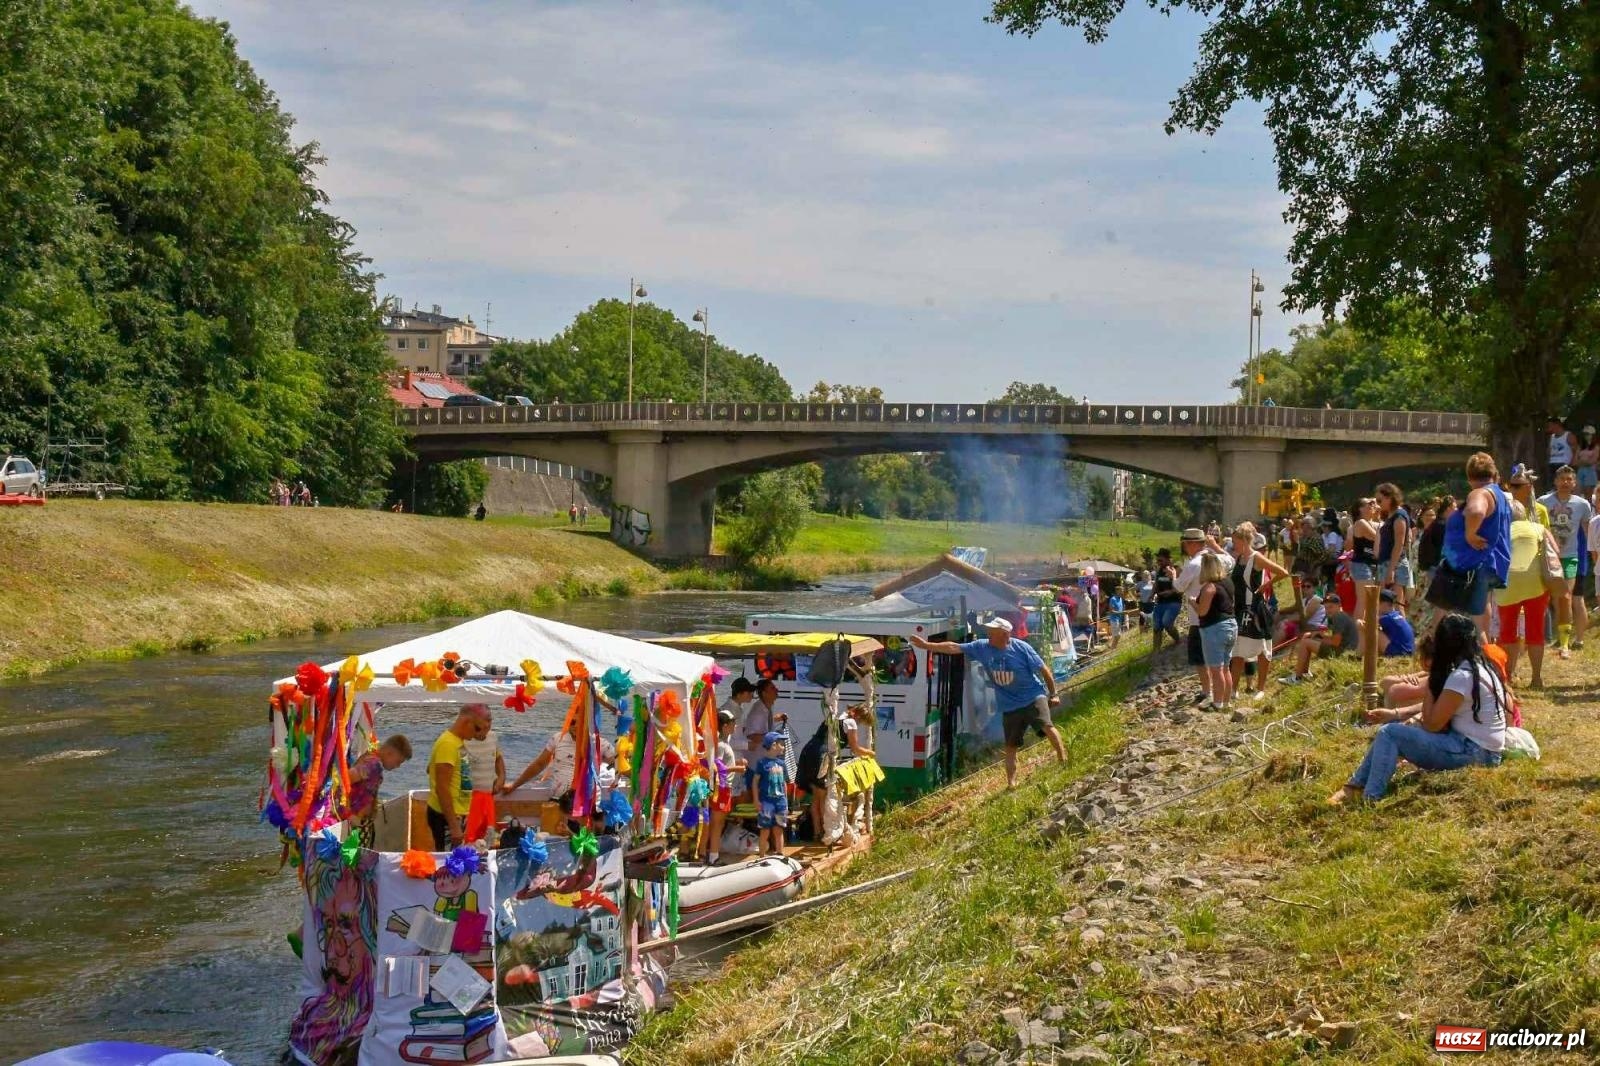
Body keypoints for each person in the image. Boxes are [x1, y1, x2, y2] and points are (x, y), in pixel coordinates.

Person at [1329, 613, 1506, 805]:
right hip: (1481, 750)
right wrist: (1399, 715)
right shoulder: (1480, 668)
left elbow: (1432, 725)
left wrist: (1433, 679)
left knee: (1390, 733)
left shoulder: (1461, 677)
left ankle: (1369, 797)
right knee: (1396, 730)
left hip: (1475, 752)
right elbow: (1439, 713)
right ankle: (1354, 787)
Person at [911, 617, 1066, 789]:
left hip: (1033, 696)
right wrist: (926, 646)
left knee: (1046, 725)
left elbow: (1044, 669)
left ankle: (1062, 761)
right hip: (1009, 705)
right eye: (989, 632)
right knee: (1010, 746)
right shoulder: (982, 647)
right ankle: (1011, 784)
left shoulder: (1022, 648)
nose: (989, 635)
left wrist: (1053, 694)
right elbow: (953, 647)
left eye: (993, 632)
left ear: (1005, 634)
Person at [1440, 453, 1513, 635]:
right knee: (1481, 611)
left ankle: (1479, 656)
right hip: (1488, 562)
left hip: (1473, 563)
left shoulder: (1480, 492)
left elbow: (1475, 511)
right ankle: (1481, 652)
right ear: (1493, 473)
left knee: (1473, 621)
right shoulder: (1499, 494)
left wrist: (1470, 534)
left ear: (1469, 475)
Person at [1538, 465, 1593, 656]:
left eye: (1569, 479)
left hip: (1571, 557)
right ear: (1555, 481)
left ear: (1575, 482)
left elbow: (1588, 530)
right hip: (1549, 556)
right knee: (1554, 598)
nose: (1565, 483)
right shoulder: (1543, 501)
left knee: (1566, 596)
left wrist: (1593, 553)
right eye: (1562, 479)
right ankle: (1559, 636)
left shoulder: (1582, 504)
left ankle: (1566, 644)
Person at [1175, 528, 1234, 705]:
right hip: (1224, 618)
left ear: (1191, 544)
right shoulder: (1219, 559)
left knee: (1202, 660)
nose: (1184, 547)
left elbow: (1179, 587)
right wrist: (1216, 546)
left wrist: (1173, 577)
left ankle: (1209, 694)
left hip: (1200, 619)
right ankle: (1224, 699)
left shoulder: (1193, 565)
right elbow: (1232, 559)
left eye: (1185, 544)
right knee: (1223, 665)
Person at [1229, 522, 1287, 701]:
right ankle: (1233, 689)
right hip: (1239, 608)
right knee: (1237, 650)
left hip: (1254, 607)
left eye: (1235, 542)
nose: (1233, 545)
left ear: (1244, 540)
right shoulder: (1239, 559)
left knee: (1262, 648)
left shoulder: (1257, 558)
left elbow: (1282, 572)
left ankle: (1260, 688)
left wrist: (1265, 585)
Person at [1498, 500, 1553, 688]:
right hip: (1535, 582)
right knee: (1535, 631)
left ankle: (1508, 676)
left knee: (1507, 630)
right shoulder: (1539, 528)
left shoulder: (1500, 530)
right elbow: (1555, 551)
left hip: (1507, 582)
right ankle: (1536, 678)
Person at [427, 705, 492, 849]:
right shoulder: (448, 744)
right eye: (477, 728)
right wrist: (454, 826)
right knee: (449, 864)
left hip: (456, 814)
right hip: (446, 817)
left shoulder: (456, 742)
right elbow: (442, 787)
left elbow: (431, 769)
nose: (477, 734)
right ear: (466, 721)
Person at [347, 735, 413, 842]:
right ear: (390, 753)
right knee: (358, 856)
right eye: (398, 762)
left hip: (358, 820)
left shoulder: (369, 756)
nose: (397, 766)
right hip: (357, 821)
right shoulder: (373, 764)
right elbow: (346, 778)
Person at [1193, 552, 1237, 710]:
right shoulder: (1227, 582)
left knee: (1216, 668)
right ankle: (1226, 702)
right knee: (1225, 667)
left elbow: (1202, 611)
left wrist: (1193, 603)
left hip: (1215, 628)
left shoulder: (1209, 588)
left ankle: (1217, 703)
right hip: (1231, 625)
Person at [1283, 595, 1360, 684]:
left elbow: (1335, 643)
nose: (1328, 610)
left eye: (1331, 607)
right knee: (1308, 637)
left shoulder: (1339, 617)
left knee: (1305, 642)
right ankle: (1304, 673)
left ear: (1339, 605)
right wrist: (1318, 636)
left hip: (1344, 654)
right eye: (1326, 608)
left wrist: (1319, 638)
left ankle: (1297, 678)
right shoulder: (1340, 615)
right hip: (1345, 649)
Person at [706, 710, 745, 865]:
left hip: (724, 787)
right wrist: (737, 769)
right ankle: (712, 857)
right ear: (725, 726)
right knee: (717, 823)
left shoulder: (723, 743)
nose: (735, 726)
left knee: (717, 823)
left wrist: (737, 765)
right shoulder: (721, 745)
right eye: (732, 723)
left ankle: (710, 854)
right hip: (721, 787)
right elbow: (716, 768)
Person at [461, 722, 506, 843]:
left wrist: (501, 778)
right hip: (469, 798)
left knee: (488, 836)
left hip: (488, 796)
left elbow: (498, 758)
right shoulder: (462, 739)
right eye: (484, 723)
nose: (487, 726)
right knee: (469, 838)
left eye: (489, 721)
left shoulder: (492, 737)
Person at [1376, 483, 1413, 609]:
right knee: (1386, 605)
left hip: (1394, 564)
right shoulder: (1391, 515)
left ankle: (1402, 628)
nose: (1378, 503)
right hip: (1386, 563)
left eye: (1379, 500)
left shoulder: (1399, 516)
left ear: (1390, 497)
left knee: (1396, 605)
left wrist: (1391, 570)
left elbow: (1399, 544)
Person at [753, 731, 789, 857]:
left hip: (780, 802)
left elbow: (783, 782)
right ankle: (761, 855)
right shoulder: (762, 763)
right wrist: (756, 800)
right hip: (766, 802)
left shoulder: (782, 763)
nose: (783, 747)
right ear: (774, 745)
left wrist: (786, 801)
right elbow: (755, 782)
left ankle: (780, 854)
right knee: (765, 830)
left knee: (779, 829)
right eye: (781, 744)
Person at [1347, 497, 1382, 621]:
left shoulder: (1374, 523)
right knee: (1363, 601)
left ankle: (1369, 630)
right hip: (1361, 565)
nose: (1374, 505)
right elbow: (1378, 537)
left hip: (1373, 565)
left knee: (1372, 600)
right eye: (1370, 504)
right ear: (1360, 509)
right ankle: (1358, 634)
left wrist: (1378, 518)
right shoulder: (1360, 523)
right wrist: (1379, 518)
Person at [1150, 549, 1183, 651]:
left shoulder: (1177, 570)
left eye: (1161, 560)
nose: (1159, 563)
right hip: (1160, 602)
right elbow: (1156, 583)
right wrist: (1152, 594)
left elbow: (1181, 587)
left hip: (1174, 601)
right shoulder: (1159, 571)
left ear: (1168, 559)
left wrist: (1171, 592)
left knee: (1167, 623)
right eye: (1158, 560)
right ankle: (1156, 651)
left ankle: (1178, 640)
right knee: (1156, 627)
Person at [743, 678, 781, 760]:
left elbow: (763, 723)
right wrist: (772, 737)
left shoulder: (767, 706)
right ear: (764, 694)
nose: (777, 690)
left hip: (764, 756)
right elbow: (751, 735)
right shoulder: (758, 712)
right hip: (756, 760)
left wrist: (776, 718)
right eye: (772, 688)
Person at [1375, 588, 1416, 657]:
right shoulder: (1398, 616)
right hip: (1409, 652)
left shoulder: (1387, 618)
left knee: (1372, 629)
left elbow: (1369, 622)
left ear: (1382, 603)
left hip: (1399, 653)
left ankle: (1362, 655)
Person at [1548, 416, 1578, 486]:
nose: (1549, 427)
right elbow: (1550, 450)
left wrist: (1572, 462)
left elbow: (1576, 450)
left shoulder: (1568, 435)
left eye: (1550, 425)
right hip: (1552, 463)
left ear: (1556, 425)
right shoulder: (1552, 437)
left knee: (1564, 484)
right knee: (1553, 485)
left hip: (1564, 463)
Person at [1577, 425, 1600, 493]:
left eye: (1588, 434)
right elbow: (1576, 460)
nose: (1586, 436)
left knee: (1588, 493)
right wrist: (1584, 462)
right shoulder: (1580, 446)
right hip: (1580, 471)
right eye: (1584, 434)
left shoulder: (1596, 447)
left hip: (1590, 471)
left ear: (1593, 435)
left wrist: (1582, 462)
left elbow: (1593, 461)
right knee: (1578, 492)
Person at [1106, 584, 1126, 649]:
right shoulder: (1113, 599)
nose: (1122, 592)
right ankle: (1112, 648)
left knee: (1117, 635)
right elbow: (1111, 611)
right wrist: (1122, 612)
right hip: (1114, 619)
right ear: (1117, 591)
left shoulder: (1120, 599)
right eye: (1121, 591)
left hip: (1119, 619)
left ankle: (1113, 646)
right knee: (1117, 635)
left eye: (1123, 591)